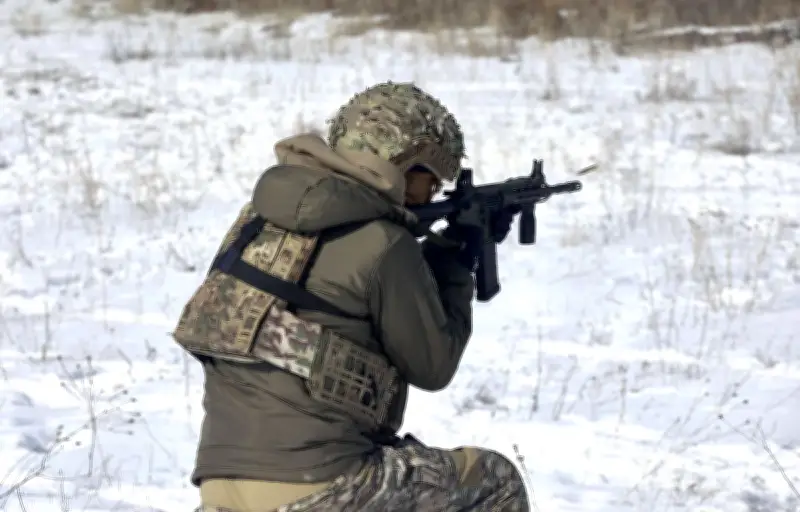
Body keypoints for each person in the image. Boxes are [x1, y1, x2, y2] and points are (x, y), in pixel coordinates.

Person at [173, 82, 530, 511]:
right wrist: (458, 260)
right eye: (429, 179)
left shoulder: (254, 223)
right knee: (495, 480)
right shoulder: (385, 241)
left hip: (219, 488)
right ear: (400, 162)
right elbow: (434, 365)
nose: (433, 193)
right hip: (319, 485)